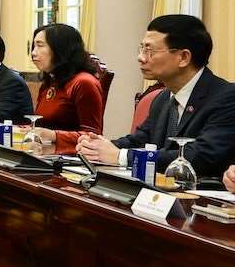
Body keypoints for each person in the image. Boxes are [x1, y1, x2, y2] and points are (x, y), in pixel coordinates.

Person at [78, 14, 235, 181]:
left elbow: (202, 156)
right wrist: (97, 146)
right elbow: (140, 140)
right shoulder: (163, 98)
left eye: (150, 50)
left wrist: (120, 156)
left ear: (184, 57)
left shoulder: (226, 97)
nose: (141, 58)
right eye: (142, 49)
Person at [25, 23, 104, 153]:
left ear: (60, 49)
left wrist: (54, 135)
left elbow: (93, 136)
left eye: (40, 46)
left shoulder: (84, 83)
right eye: (34, 46)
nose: (33, 53)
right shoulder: (50, 81)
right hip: (46, 153)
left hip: (71, 161)